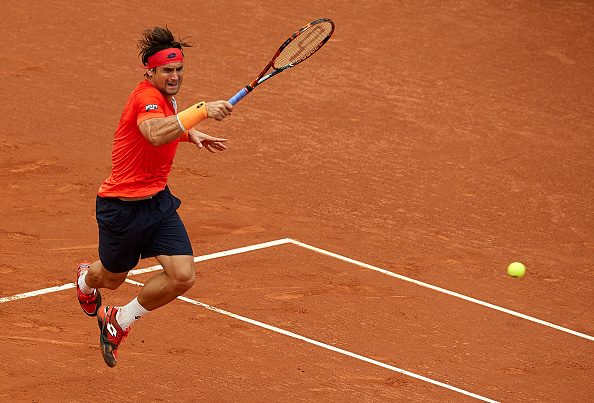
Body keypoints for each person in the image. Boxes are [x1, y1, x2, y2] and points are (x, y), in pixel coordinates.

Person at [76, 26, 233, 367]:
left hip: (158, 204)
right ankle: (86, 280)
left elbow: (168, 124)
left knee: (182, 276)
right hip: (122, 208)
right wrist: (202, 110)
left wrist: (192, 134)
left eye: (178, 69)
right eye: (167, 70)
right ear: (150, 71)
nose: (174, 76)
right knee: (112, 278)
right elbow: (154, 133)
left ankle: (118, 320)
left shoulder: (166, 99)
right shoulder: (145, 96)